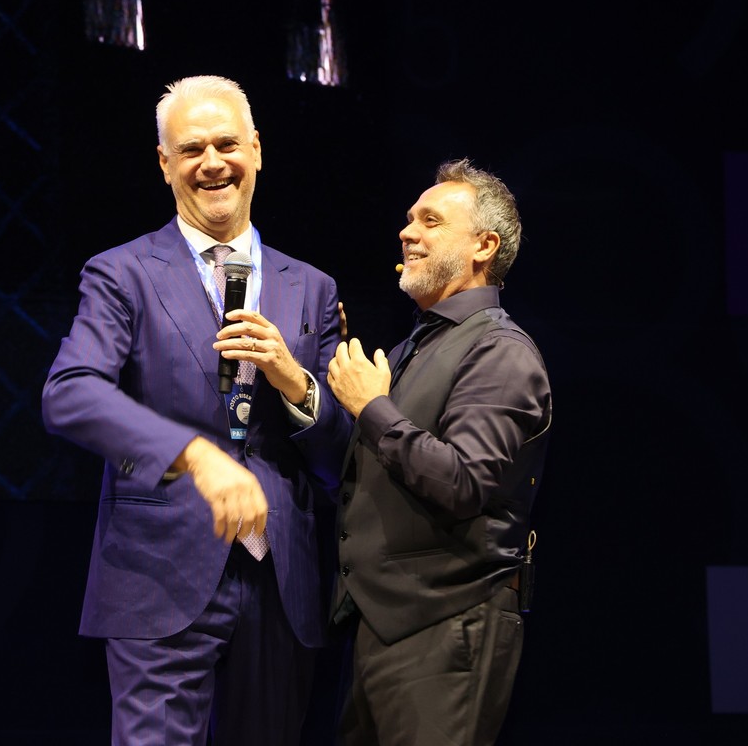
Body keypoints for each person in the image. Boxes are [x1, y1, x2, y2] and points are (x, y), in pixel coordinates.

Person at [42, 75, 351, 746]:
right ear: (165, 164)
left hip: (280, 580)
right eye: (191, 150)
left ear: (257, 150)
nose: (212, 163)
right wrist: (194, 456)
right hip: (158, 572)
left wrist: (296, 384)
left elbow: (339, 458)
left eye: (226, 144)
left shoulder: (311, 288)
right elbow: (70, 392)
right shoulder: (122, 273)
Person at [327, 159, 553, 745]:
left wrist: (371, 407)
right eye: (409, 220)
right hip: (384, 625)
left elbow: (463, 482)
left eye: (431, 221)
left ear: (484, 246)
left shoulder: (500, 351)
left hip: (447, 624)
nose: (408, 232)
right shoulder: (417, 345)